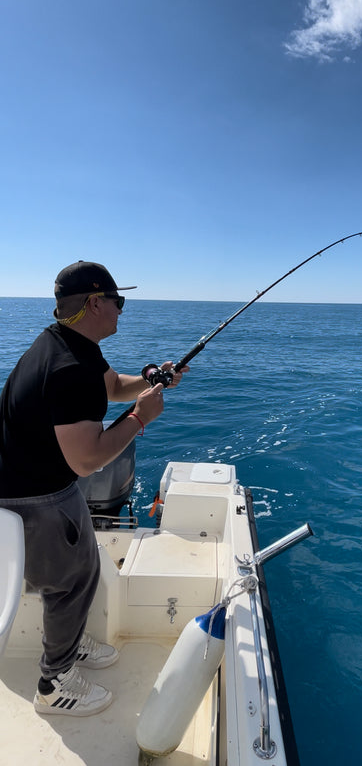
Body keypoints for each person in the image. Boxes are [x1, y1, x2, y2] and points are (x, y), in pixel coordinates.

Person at [0, 261, 188, 717]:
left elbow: (111, 386)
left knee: (80, 573)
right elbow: (87, 459)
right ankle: (54, 682)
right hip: (34, 495)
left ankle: (67, 641)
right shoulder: (68, 367)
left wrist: (150, 381)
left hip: (36, 482)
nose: (122, 311)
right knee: (68, 584)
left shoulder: (68, 345)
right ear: (94, 302)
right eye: (118, 301)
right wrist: (141, 418)